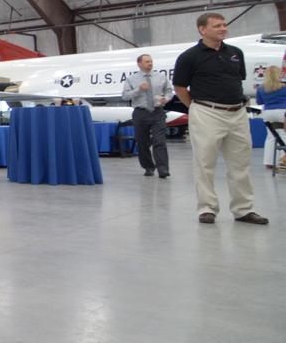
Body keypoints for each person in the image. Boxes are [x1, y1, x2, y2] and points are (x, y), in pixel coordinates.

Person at [172, 12, 267, 225]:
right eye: (217, 26)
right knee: (205, 163)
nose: (223, 28)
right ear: (202, 29)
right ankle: (207, 208)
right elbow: (179, 87)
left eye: (224, 25)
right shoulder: (189, 57)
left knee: (240, 163)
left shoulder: (235, 53)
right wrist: (196, 108)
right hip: (207, 112)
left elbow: (236, 80)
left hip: (237, 112)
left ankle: (243, 209)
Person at [121, 53, 173, 178]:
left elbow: (169, 91)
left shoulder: (160, 77)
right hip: (141, 112)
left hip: (158, 112)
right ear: (139, 64)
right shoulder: (131, 79)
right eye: (147, 62)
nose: (150, 64)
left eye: (151, 61)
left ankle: (163, 169)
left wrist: (166, 98)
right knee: (142, 142)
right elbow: (125, 96)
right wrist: (139, 89)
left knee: (159, 141)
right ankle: (148, 167)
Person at [256, 64, 286, 169]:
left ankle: (269, 162)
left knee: (270, 137)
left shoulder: (261, 88)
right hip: (283, 113)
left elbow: (259, 102)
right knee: (284, 135)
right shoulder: (284, 87)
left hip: (268, 113)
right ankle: (283, 160)